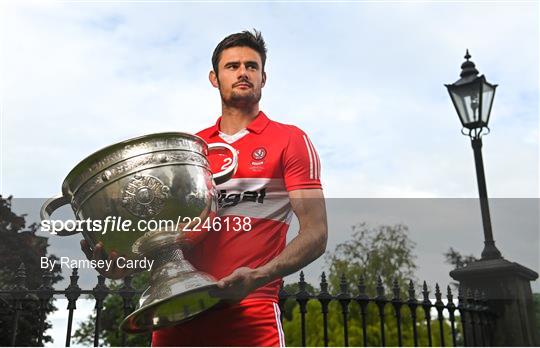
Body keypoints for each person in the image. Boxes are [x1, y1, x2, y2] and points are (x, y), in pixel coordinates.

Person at [82, 30, 327, 347]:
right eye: (232, 66)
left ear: (263, 77)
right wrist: (124, 265)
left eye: (251, 66)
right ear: (214, 78)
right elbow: (165, 238)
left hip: (251, 316)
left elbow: (316, 233)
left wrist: (259, 276)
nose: (242, 72)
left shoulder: (289, 140)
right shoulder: (186, 149)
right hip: (175, 316)